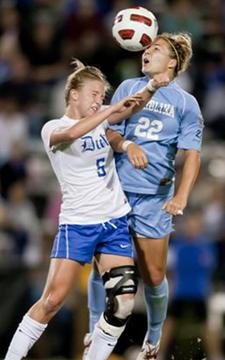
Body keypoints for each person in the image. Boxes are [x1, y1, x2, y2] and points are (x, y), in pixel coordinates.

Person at [4, 59, 170, 360]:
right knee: (53, 300)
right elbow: (73, 134)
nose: (99, 100)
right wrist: (109, 110)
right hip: (78, 224)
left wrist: (152, 86)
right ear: (73, 95)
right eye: (93, 93)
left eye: (102, 95)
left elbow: (130, 109)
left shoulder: (104, 122)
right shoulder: (53, 128)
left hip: (114, 220)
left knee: (123, 302)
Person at [85, 32, 204, 360]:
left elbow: (192, 154)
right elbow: (109, 130)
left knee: (153, 275)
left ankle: (153, 336)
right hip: (118, 193)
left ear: (172, 63)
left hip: (154, 199)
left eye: (156, 48)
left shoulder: (186, 103)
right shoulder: (127, 88)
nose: (147, 51)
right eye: (147, 47)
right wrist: (126, 144)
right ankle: (94, 326)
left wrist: (181, 196)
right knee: (103, 270)